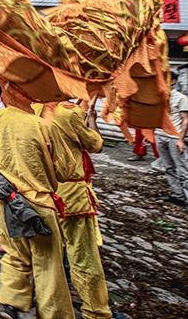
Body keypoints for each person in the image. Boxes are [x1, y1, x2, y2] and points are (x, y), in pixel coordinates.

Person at [0, 87, 77, 319]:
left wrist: (3, 175)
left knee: (14, 254)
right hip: (38, 203)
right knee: (48, 265)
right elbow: (65, 169)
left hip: (5, 202)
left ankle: (12, 300)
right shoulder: (43, 126)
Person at [42, 100, 130, 319]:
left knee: (50, 253)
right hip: (71, 196)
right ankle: (96, 311)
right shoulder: (69, 113)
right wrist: (90, 119)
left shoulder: (34, 109)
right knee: (83, 256)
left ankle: (50, 301)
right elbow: (95, 144)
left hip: (45, 191)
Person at [156, 71, 188, 213]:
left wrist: (181, 139)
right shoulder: (159, 97)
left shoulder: (181, 98)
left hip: (174, 137)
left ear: (173, 81)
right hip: (160, 135)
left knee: (183, 168)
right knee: (168, 167)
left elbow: (185, 120)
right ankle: (177, 194)